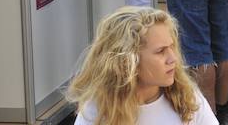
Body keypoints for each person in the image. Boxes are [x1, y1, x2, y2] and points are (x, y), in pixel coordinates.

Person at [68, 7, 217, 125]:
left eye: (172, 47)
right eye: (160, 51)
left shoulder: (188, 99)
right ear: (127, 62)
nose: (173, 59)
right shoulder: (97, 110)